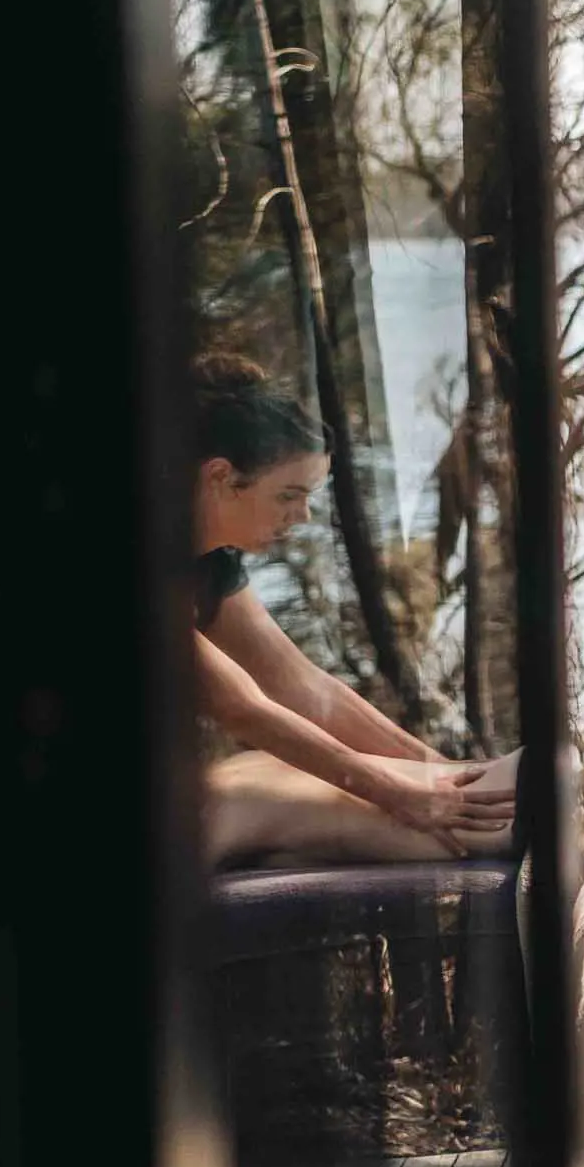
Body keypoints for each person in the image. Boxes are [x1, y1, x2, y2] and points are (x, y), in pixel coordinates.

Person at [189, 352, 514, 866]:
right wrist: (399, 795)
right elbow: (241, 706)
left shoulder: (208, 566)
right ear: (222, 478)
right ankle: (496, 827)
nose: (303, 514)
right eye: (289, 495)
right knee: (256, 788)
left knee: (264, 775)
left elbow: (303, 686)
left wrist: (444, 775)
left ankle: (492, 812)